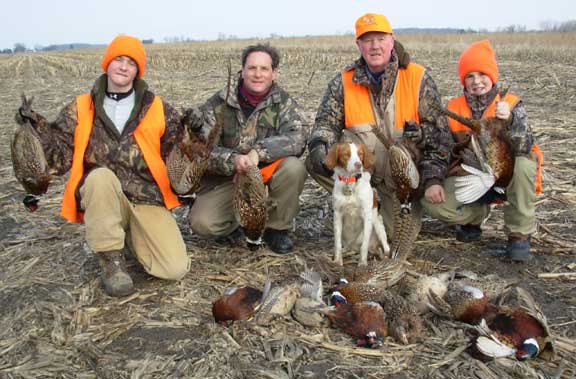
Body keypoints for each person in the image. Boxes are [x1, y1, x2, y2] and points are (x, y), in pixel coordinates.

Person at [14, 35, 190, 296]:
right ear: (107, 63)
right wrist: (33, 127)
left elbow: (180, 152)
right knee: (99, 178)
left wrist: (194, 132)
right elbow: (59, 156)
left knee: (173, 269)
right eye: (118, 59)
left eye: (131, 62)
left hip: (146, 197)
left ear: (137, 71)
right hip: (103, 194)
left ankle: (130, 235)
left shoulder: (157, 108)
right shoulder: (80, 107)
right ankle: (111, 260)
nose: (123, 66)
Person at [306, 13, 452, 239]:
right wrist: (320, 146)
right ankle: (357, 202)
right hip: (360, 173)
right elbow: (326, 123)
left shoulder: (417, 78)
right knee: (316, 161)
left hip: (401, 182)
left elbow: (441, 137)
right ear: (358, 45)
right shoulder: (343, 81)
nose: (375, 46)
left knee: (394, 237)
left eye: (380, 39)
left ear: (392, 41)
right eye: (367, 40)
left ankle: (397, 206)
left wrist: (431, 178)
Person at [421, 39, 543, 262]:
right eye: (470, 76)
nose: (477, 82)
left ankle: (519, 235)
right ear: (463, 81)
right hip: (473, 177)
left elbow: (525, 145)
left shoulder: (511, 104)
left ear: (492, 75)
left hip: (507, 175)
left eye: (482, 74)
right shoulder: (453, 108)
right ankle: (474, 216)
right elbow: (441, 149)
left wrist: (510, 120)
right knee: (432, 203)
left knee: (525, 164)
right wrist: (434, 181)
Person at [184, 44, 308, 254]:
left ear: (274, 72)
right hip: (231, 179)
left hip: (267, 174)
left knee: (294, 168)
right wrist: (231, 160)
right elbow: (200, 149)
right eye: (252, 68)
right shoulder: (219, 103)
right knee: (203, 223)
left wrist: (258, 153)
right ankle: (240, 224)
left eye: (264, 69)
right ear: (242, 70)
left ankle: (276, 228)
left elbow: (298, 137)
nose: (257, 74)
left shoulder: (284, 103)